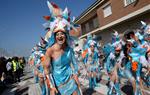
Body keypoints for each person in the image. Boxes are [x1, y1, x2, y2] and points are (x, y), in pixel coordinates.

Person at [42, 1, 81, 95]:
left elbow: (75, 64)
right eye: (57, 34)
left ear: (66, 35)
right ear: (54, 36)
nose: (60, 36)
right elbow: (46, 70)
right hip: (58, 86)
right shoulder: (50, 51)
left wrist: (75, 74)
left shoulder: (69, 49)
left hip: (71, 82)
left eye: (62, 34)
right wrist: (51, 87)